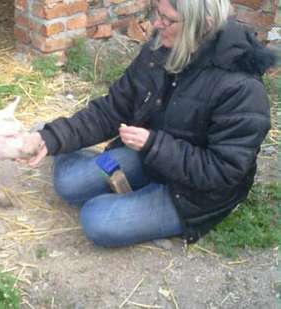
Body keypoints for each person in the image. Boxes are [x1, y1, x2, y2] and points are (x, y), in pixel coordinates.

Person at [20, 0, 277, 247]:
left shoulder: (241, 87)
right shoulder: (161, 48)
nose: (156, 24)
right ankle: (66, 146)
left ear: (204, 25)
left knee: (97, 220)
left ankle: (129, 193)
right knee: (69, 183)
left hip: (194, 193)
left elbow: (222, 171)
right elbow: (113, 109)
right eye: (157, 13)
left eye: (168, 19)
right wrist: (52, 137)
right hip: (151, 158)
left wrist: (154, 144)